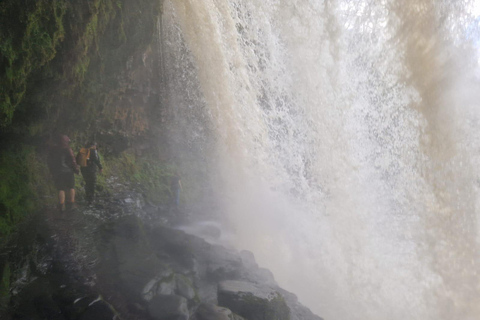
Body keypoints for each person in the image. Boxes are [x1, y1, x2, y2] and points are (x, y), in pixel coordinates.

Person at [47, 135, 79, 212]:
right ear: (66, 141)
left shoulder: (53, 149)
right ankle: (71, 204)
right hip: (68, 171)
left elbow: (49, 161)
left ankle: (61, 206)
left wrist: (52, 171)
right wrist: (76, 169)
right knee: (71, 187)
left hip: (58, 172)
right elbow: (73, 161)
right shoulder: (68, 149)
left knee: (60, 188)